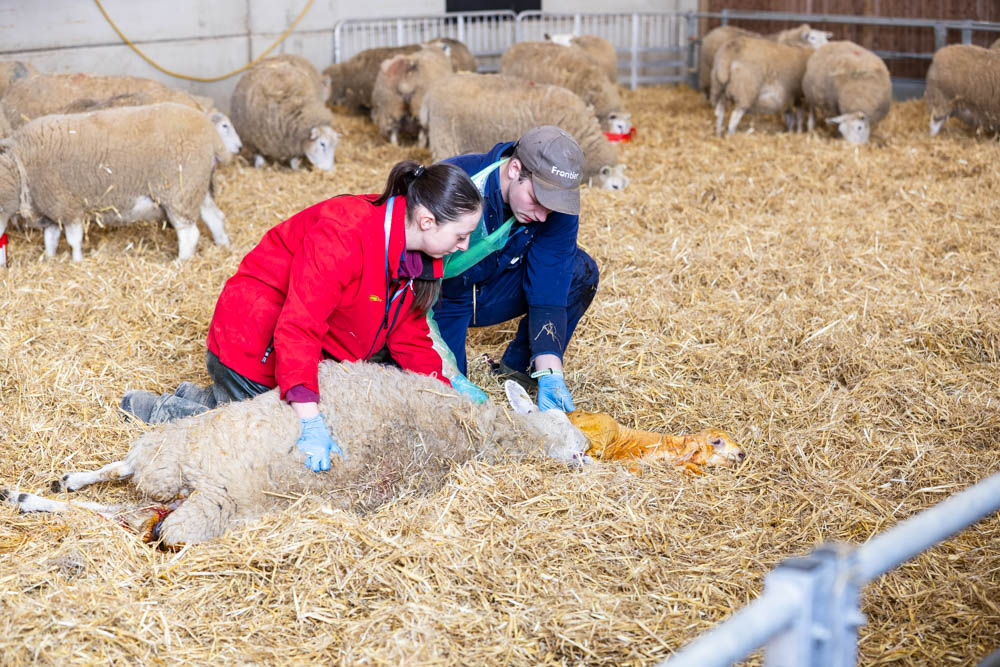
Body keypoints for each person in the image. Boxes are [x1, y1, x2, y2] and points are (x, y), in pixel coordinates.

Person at [121, 160, 483, 472]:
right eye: (461, 234)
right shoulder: (346, 234)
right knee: (258, 441)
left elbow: (407, 330)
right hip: (255, 342)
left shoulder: (419, 258)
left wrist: (443, 389)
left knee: (285, 420)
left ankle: (213, 399)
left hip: (299, 350)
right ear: (426, 220)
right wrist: (309, 421)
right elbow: (299, 326)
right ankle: (157, 410)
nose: (465, 246)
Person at [430, 125, 599, 413]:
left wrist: (551, 372)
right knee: (448, 398)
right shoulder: (459, 181)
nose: (542, 215)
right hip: (444, 297)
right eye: (536, 200)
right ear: (514, 169)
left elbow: (551, 277)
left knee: (579, 270)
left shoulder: (554, 208)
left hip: (497, 288)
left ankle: (518, 371)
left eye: (553, 207)